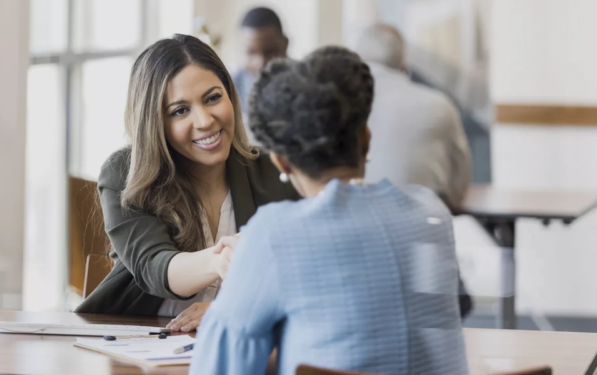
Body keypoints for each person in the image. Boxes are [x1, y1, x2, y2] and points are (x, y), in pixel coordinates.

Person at [190, 47, 468, 375]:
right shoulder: (429, 212)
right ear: (366, 138)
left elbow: (220, 368)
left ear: (280, 160)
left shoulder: (274, 234)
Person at [74, 35, 299, 332]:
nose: (205, 120)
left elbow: (306, 275)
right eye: (180, 111)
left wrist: (232, 308)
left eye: (213, 98)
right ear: (154, 122)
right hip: (139, 350)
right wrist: (221, 260)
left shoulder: (274, 171)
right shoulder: (125, 174)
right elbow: (154, 267)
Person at [355, 24, 472, 209]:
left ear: (358, 59)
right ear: (404, 63)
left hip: (355, 221)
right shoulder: (440, 105)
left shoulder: (343, 105)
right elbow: (459, 181)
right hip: (425, 225)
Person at [232, 7, 289, 117]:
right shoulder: (232, 87)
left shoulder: (305, 84)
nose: (261, 63)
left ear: (285, 44)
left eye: (270, 52)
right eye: (251, 53)